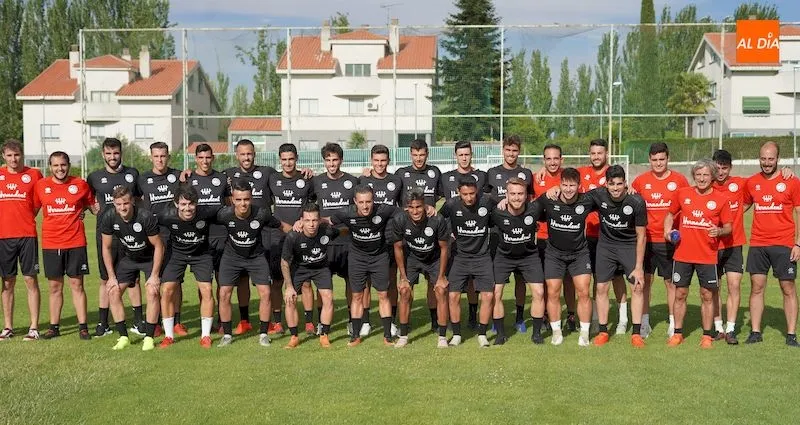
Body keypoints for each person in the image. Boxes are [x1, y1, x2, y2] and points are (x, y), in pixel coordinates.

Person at [710, 149, 793, 344]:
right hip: (711, 245)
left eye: (724, 168)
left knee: (734, 285)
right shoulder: (705, 185)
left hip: (734, 243)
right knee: (714, 288)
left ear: (730, 168)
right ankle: (717, 327)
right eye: (717, 168)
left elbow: (763, 183)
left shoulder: (742, 183)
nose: (720, 172)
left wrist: (785, 171)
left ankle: (730, 330)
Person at [663, 159, 732, 348]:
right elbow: (669, 214)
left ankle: (707, 336)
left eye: (705, 175)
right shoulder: (682, 194)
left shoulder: (721, 199)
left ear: (712, 177)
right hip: (683, 255)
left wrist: (718, 231)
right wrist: (667, 232)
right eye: (698, 175)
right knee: (680, 294)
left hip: (707, 255)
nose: (701, 179)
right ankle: (677, 333)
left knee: (707, 295)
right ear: (694, 176)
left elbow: (728, 227)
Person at [215, 180, 291, 347]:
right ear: (233, 200)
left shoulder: (261, 213)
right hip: (231, 257)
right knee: (224, 293)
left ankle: (263, 334)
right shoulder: (224, 214)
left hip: (256, 257)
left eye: (247, 199)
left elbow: (282, 226)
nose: (243, 203)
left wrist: (301, 230)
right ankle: (227, 335)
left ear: (251, 199)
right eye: (239, 199)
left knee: (265, 293)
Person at [328, 185, 400, 347]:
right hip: (357, 258)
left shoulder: (384, 210)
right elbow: (327, 220)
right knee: (357, 296)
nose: (365, 206)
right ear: (355, 202)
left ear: (373, 200)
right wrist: (303, 222)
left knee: (383, 294)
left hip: (379, 257)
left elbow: (405, 213)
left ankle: (388, 336)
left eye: (368, 201)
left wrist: (428, 209)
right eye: (361, 202)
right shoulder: (346, 213)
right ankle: (355, 335)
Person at [582, 165, 647, 347]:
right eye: (612, 184)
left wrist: (639, 267)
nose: (616, 188)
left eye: (619, 184)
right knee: (601, 288)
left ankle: (636, 333)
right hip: (606, 247)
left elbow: (642, 235)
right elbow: (574, 199)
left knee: (637, 287)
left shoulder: (637, 202)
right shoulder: (598, 195)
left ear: (625, 183)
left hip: (629, 247)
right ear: (606, 184)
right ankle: (603, 331)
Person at [743, 141, 800, 346]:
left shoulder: (792, 181)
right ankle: (756, 332)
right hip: (758, 243)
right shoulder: (751, 182)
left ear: (778, 159)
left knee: (788, 288)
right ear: (759, 158)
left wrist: (798, 244)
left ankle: (791, 334)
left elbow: (799, 212)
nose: (767, 163)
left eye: (771, 159)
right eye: (763, 159)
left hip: (784, 244)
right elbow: (742, 205)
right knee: (756, 287)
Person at [87, 137, 145, 338]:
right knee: (106, 279)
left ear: (121, 153)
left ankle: (139, 322)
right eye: (109, 153)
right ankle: (103, 324)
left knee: (133, 279)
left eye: (116, 153)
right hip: (106, 235)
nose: (112, 157)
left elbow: (138, 199)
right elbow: (87, 199)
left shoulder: (132, 174)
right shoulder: (94, 177)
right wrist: (91, 208)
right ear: (103, 154)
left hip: (131, 234)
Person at [34, 151, 95, 340]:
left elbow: (93, 206)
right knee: (54, 287)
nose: (60, 169)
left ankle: (83, 327)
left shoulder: (80, 184)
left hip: (76, 242)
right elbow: (32, 210)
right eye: (56, 165)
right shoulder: (41, 186)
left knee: (77, 285)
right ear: (50, 167)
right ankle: (54, 327)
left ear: (68, 165)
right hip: (51, 243)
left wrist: (84, 210)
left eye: (63, 165)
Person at [630, 142, 689, 338]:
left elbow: (687, 204)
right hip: (645, 241)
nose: (658, 163)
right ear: (649, 160)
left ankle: (673, 323)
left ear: (668, 158)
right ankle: (644, 322)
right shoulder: (640, 181)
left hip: (669, 241)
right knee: (644, 282)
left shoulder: (679, 181)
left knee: (671, 283)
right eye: (654, 160)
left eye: (661, 159)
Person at [535, 167, 595, 346]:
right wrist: (506, 199)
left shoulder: (587, 200)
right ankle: (556, 332)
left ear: (579, 186)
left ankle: (584, 333)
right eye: (565, 185)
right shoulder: (548, 199)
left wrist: (629, 190)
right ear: (559, 184)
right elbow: (525, 206)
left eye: (572, 185)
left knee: (584, 291)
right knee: (553, 292)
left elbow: (610, 194)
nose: (568, 189)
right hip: (554, 254)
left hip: (579, 254)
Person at [222, 139, 277, 336]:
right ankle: (244, 320)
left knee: (268, 282)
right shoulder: (227, 174)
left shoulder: (267, 172)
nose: (246, 157)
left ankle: (271, 321)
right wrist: (186, 175)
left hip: (264, 233)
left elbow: (285, 180)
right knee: (241, 280)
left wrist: (306, 173)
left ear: (254, 154)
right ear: (236, 155)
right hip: (237, 233)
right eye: (243, 154)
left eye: (250, 153)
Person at [99, 186, 164, 351]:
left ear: (132, 201)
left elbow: (158, 246)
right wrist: (111, 277)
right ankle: (123, 337)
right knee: (113, 290)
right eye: (119, 204)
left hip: (149, 258)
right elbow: (105, 248)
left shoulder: (145, 217)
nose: (122, 208)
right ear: (114, 203)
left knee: (152, 291)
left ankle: (149, 337)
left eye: (126, 203)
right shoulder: (109, 217)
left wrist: (155, 275)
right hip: (128, 258)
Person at [577, 139, 629, 335]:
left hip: (610, 237)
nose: (596, 157)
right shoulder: (582, 173)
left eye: (600, 153)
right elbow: (565, 183)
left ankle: (623, 318)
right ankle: (597, 318)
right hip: (587, 237)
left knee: (616, 278)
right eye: (593, 153)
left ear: (606, 153)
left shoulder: (614, 175)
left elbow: (626, 193)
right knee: (592, 280)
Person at [157, 185, 218, 349]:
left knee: (206, 290)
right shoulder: (166, 215)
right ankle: (169, 336)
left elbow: (230, 214)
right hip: (177, 255)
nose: (187, 208)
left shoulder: (207, 212)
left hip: (202, 254)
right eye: (183, 204)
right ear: (176, 204)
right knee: (167, 290)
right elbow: (147, 224)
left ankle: (205, 336)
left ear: (196, 203)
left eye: (191, 204)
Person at [440, 178, 497, 347]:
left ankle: (482, 334)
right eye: (465, 194)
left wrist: (506, 202)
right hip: (459, 257)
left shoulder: (487, 202)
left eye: (472, 193)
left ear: (477, 192)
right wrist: (447, 234)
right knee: (453, 295)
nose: (469, 197)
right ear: (459, 192)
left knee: (488, 295)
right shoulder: (451, 205)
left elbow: (502, 211)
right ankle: (457, 335)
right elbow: (437, 220)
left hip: (482, 257)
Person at [391, 189, 450, 348]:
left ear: (425, 205)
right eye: (411, 207)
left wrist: (442, 276)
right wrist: (403, 276)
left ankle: (442, 337)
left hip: (434, 259)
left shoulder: (437, 220)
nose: (415, 211)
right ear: (406, 207)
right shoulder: (400, 219)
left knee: (441, 290)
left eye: (418, 207)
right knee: (404, 291)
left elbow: (444, 248)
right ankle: (403, 335)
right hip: (412, 259)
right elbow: (398, 248)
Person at [395, 139, 443, 331]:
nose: (419, 159)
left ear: (427, 154)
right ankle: (403, 325)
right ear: (410, 155)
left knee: (433, 284)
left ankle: (434, 322)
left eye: (422, 155)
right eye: (415, 155)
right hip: (409, 236)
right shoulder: (401, 174)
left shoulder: (435, 172)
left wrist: (431, 209)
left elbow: (442, 194)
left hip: (430, 235)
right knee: (407, 284)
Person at [268, 143, 315, 336]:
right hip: (278, 237)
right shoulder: (272, 179)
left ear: (297, 159)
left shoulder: (307, 179)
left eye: (291, 159)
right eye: (284, 159)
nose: (288, 163)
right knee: (278, 281)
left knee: (305, 282)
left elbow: (312, 207)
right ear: (280, 160)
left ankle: (310, 322)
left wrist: (303, 223)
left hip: (301, 238)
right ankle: (278, 322)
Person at [487, 135, 533, 334]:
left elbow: (531, 199)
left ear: (519, 151)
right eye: (508, 150)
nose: (511, 154)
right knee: (498, 283)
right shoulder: (492, 173)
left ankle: (520, 317)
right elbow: (486, 200)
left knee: (521, 281)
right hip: (498, 235)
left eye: (515, 150)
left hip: (522, 234)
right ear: (503, 151)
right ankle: (496, 321)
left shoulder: (526, 173)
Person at [312, 143, 360, 334]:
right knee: (322, 284)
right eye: (328, 160)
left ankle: (351, 320)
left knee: (351, 282)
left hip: (348, 241)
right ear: (324, 161)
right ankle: (321, 322)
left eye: (335, 159)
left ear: (341, 160)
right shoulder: (316, 181)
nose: (332, 164)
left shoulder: (353, 181)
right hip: (324, 242)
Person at [439, 141, 485, 330]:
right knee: (451, 279)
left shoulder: (481, 176)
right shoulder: (445, 178)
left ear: (471, 155)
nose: (464, 158)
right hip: (452, 239)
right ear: (455, 156)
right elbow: (437, 207)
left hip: (473, 236)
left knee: (473, 281)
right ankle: (451, 318)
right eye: (461, 155)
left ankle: (473, 315)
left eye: (467, 154)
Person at [138, 142, 183, 336]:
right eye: (156, 156)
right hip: (152, 235)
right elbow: (132, 198)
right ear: (151, 157)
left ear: (168, 157)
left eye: (163, 156)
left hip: (173, 233)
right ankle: (154, 322)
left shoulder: (178, 175)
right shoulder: (142, 179)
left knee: (175, 280)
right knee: (153, 278)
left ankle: (177, 323)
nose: (160, 160)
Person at [280, 203, 340, 348]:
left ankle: (324, 335)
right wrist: (288, 286)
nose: (311, 224)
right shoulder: (293, 236)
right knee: (290, 299)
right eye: (307, 220)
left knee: (327, 297)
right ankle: (294, 336)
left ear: (319, 220)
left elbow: (340, 231)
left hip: (321, 268)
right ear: (301, 220)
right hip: (299, 268)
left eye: (314, 220)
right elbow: (284, 262)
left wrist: (325, 220)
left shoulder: (327, 230)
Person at [491, 178, 543, 344]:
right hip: (504, 257)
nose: (516, 197)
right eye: (512, 194)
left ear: (526, 195)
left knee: (539, 292)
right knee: (495, 293)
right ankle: (500, 335)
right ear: (506, 195)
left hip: (529, 257)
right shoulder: (497, 212)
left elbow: (551, 199)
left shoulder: (534, 209)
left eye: (520, 194)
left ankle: (536, 334)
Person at [184, 143, 229, 334]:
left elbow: (228, 205)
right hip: (199, 239)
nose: (205, 161)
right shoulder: (188, 179)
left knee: (221, 282)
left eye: (208, 157)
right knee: (204, 284)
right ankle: (206, 321)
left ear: (213, 158)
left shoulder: (221, 178)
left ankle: (220, 319)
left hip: (221, 236)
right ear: (196, 159)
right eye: (201, 158)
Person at [359, 144, 403, 337]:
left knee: (390, 280)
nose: (379, 164)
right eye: (376, 161)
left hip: (390, 236)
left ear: (388, 161)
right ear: (371, 161)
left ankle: (391, 321)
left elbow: (403, 208)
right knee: (366, 282)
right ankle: (366, 322)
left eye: (383, 160)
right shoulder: (363, 180)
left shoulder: (396, 181)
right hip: (368, 236)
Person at [0, 139, 43, 341]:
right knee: (7, 282)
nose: (13, 159)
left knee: (30, 279)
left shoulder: (33, 174)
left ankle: (34, 327)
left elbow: (38, 204)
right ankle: (8, 327)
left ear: (22, 155)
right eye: (9, 155)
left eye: (16, 155)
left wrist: (24, 218)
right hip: (3, 237)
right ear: (3, 156)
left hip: (27, 235)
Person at [532, 144, 566, 332]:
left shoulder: (568, 176)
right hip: (543, 236)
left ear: (562, 159)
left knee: (567, 280)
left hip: (566, 236)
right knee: (546, 280)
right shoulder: (536, 178)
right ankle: (545, 315)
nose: (552, 162)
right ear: (544, 160)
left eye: (556, 158)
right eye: (548, 159)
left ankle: (570, 314)